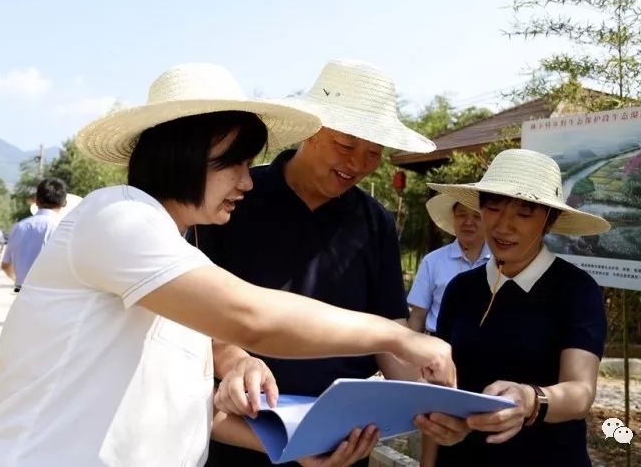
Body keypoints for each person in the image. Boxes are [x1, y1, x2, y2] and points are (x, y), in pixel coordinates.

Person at [0, 63, 455, 467]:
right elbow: (251, 320)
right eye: (235, 165)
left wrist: (295, 445)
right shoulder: (117, 218)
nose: (246, 183)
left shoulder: (180, 257)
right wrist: (400, 336)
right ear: (188, 154)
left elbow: (196, 407)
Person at [192, 59, 437, 467]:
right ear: (312, 130)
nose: (358, 164)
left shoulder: (374, 221)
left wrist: (429, 397)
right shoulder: (236, 198)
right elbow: (198, 311)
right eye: (346, 145)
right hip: (241, 429)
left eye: (373, 152)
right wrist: (237, 361)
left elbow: (388, 331)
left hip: (341, 442)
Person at [418, 148, 611, 466]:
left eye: (524, 214)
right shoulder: (460, 290)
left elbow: (579, 392)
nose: (504, 226)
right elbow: (439, 394)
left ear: (549, 221)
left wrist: (531, 400)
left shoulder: (576, 290)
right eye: (493, 208)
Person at [407, 195, 491, 334]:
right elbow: (417, 316)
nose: (468, 222)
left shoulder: (502, 262)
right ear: (453, 218)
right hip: (436, 345)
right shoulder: (433, 261)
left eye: (477, 216)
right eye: (462, 215)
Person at [1, 178, 68, 292]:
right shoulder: (65, 228)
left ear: (36, 201)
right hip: (54, 294)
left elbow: (6, 265)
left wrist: (18, 281)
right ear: (64, 203)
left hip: (24, 293)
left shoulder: (19, 227)